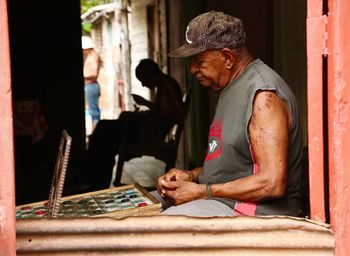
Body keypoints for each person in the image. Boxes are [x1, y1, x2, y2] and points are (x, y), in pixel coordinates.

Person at [154, 11, 304, 217]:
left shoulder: (263, 97)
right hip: (222, 200)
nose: (192, 70)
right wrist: (191, 175)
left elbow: (272, 183)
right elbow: (230, 168)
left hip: (255, 213)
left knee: (157, 227)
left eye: (199, 62)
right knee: (142, 205)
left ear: (227, 58)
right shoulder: (230, 87)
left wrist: (202, 192)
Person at [81, 59, 185, 191]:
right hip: (148, 130)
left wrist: (146, 106)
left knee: (104, 130)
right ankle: (94, 178)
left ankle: (92, 178)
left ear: (150, 75)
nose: (142, 84)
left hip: (150, 134)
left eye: (143, 79)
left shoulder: (167, 84)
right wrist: (146, 109)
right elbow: (163, 111)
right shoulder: (164, 84)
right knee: (106, 133)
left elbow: (178, 114)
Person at [82, 36, 101, 131]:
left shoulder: (94, 57)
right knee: (92, 111)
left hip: (91, 86)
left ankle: (96, 135)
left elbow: (94, 74)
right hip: (89, 86)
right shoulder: (90, 56)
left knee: (94, 113)